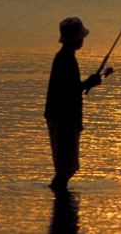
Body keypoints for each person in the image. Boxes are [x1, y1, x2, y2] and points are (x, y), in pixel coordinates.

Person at [44, 17, 113, 191]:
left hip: (63, 116)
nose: (83, 40)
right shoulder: (65, 59)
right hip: (63, 117)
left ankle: (60, 201)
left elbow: (70, 88)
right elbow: (68, 91)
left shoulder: (66, 57)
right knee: (66, 169)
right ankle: (59, 198)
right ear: (77, 38)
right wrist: (88, 83)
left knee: (67, 168)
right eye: (81, 36)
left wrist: (87, 83)